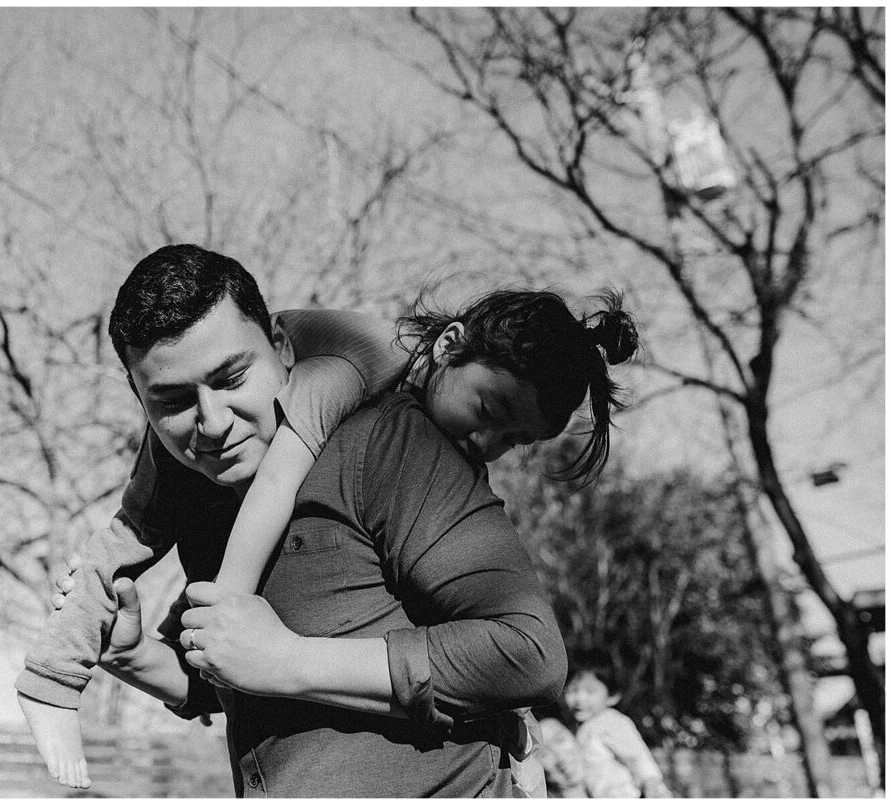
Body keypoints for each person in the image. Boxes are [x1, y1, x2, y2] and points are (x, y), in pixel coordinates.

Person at [37, 245, 639, 794]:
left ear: (281, 345)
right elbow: (236, 676)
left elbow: (529, 653)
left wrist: (292, 661)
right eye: (171, 400)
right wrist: (136, 655)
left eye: (232, 378)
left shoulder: (395, 440)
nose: (212, 420)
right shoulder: (207, 487)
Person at [564, 650, 673, 798]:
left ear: (613, 696)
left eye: (590, 692)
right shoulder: (576, 727)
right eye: (573, 690)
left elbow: (636, 756)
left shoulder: (611, 721)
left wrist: (652, 784)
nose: (579, 699)